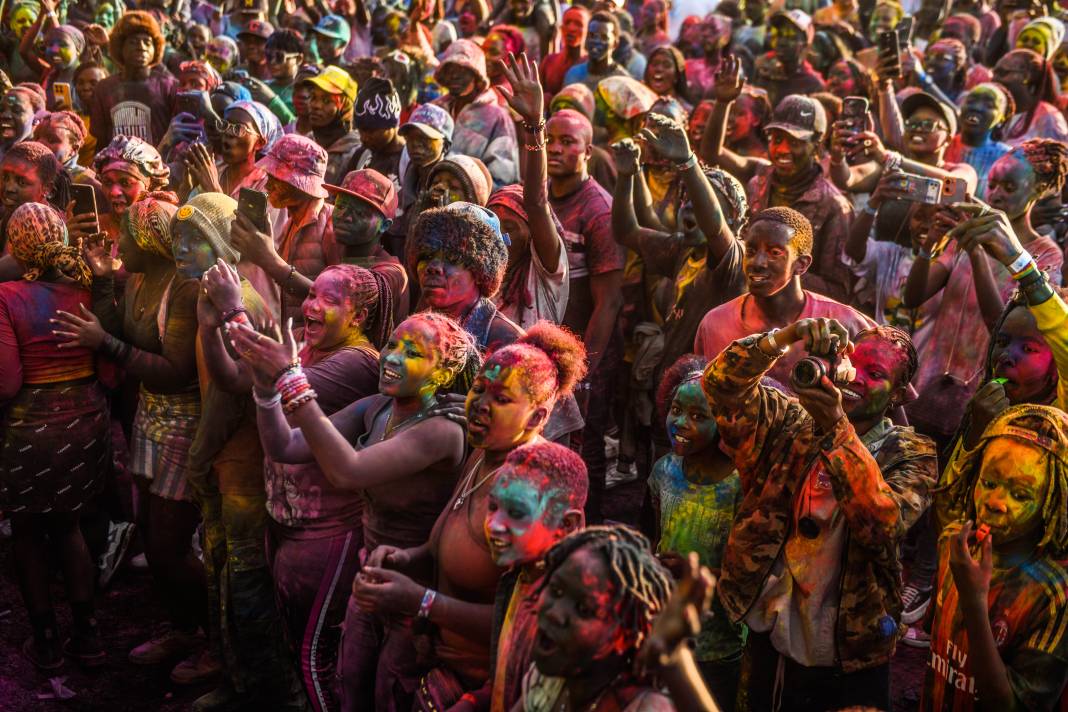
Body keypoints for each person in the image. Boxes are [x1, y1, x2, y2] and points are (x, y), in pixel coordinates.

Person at [229, 310, 474, 712]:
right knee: (351, 688)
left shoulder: (441, 431)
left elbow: (347, 471)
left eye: (412, 352)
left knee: (389, 696)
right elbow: (286, 447)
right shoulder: (378, 407)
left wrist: (291, 377)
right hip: (371, 578)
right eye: (392, 344)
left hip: (415, 591)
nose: (392, 357)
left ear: (443, 372)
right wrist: (265, 388)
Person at [703, 317, 936, 711]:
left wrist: (837, 427)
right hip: (773, 630)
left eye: (875, 374)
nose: (857, 378)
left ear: (897, 395)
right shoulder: (791, 422)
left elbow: (881, 525)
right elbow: (720, 385)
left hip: (849, 644)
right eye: (852, 363)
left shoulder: (912, 453)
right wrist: (785, 336)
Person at [353, 321, 587, 709]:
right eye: (478, 389)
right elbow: (439, 541)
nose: (479, 404)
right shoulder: (483, 453)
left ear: (536, 418)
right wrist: (402, 558)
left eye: (501, 398)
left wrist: (421, 601)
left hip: (485, 685)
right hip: (438, 663)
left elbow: (529, 619)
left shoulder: (533, 487)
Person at [198, 259, 393, 712]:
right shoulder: (306, 347)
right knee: (296, 649)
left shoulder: (355, 364)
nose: (312, 305)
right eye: (311, 294)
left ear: (358, 317)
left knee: (316, 658)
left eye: (329, 299)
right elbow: (234, 380)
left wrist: (233, 310)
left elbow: (278, 394)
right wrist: (210, 330)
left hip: (327, 534)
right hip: (288, 524)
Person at [52, 195, 216, 684]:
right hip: (152, 417)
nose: (116, 240)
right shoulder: (141, 277)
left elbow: (173, 370)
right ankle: (183, 628)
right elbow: (121, 328)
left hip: (183, 423)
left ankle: (220, 640)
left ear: (148, 241)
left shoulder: (185, 288)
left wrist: (106, 344)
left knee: (169, 546)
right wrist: (104, 278)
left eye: (125, 234)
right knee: (150, 531)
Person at [178, 192, 305, 712]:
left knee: (246, 582)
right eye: (176, 240)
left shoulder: (244, 303)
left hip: (245, 473)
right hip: (229, 471)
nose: (180, 251)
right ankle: (236, 679)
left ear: (219, 245)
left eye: (193, 241)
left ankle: (271, 693)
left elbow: (233, 391)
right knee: (223, 573)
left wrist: (200, 455)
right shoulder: (213, 296)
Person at [903, 140, 1067, 446]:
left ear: (1038, 190)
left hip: (983, 395)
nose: (996, 194)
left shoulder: (1044, 256)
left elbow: (1001, 327)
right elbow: (913, 297)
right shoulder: (967, 233)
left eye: (1009, 185)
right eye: (992, 184)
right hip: (930, 382)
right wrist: (930, 245)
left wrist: (977, 254)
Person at [0, 203, 107, 670]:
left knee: (26, 530)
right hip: (86, 419)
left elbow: (6, 382)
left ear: (15, 245)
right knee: (69, 526)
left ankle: (45, 641)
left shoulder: (5, 296)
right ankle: (88, 633)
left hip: (31, 427)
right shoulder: (84, 289)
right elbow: (110, 370)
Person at [922, 405, 1068, 710]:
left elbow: (1012, 704)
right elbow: (937, 639)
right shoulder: (955, 542)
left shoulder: (1055, 594)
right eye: (989, 483)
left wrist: (975, 603)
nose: (996, 503)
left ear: (1053, 502)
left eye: (1021, 495)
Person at [611, 116, 748, 384]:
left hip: (708, 388)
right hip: (671, 384)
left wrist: (688, 162)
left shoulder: (732, 262)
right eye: (685, 199)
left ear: (731, 219)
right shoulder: (683, 249)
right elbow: (626, 231)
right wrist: (628, 176)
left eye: (698, 202)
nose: (688, 206)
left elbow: (715, 227)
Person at [702, 66, 854, 303]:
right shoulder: (759, 177)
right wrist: (723, 103)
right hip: (744, 302)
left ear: (817, 145)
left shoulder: (834, 206)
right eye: (778, 139)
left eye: (795, 142)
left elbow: (838, 290)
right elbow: (712, 155)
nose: (783, 149)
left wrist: (781, 270)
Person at [648, 355, 744, 711]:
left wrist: (696, 574)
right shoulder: (663, 472)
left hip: (720, 640)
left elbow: (750, 575)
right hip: (669, 627)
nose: (681, 424)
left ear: (727, 423)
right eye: (676, 410)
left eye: (699, 416)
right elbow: (657, 532)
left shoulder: (739, 486)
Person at [694, 207, 876, 388]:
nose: (757, 263)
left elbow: (887, 398)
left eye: (775, 253)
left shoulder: (845, 323)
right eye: (750, 251)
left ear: (802, 264)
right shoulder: (715, 324)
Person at [513, 525, 676, 710]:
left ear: (624, 636)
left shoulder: (645, 707)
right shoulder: (551, 680)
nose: (554, 614)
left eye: (583, 609)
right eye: (556, 591)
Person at [490, 53, 568, 330]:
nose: (501, 236)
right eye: (494, 227)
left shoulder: (545, 271)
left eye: (510, 226)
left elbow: (535, 202)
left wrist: (534, 124)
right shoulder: (482, 278)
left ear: (533, 232)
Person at [228, 133, 339, 325]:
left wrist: (269, 259)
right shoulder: (291, 223)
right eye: (270, 175)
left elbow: (337, 302)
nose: (268, 184)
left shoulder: (332, 225)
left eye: (278, 178)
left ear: (302, 185)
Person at [432, 39, 519, 188]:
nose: (454, 76)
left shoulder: (497, 117)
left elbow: (503, 176)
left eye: (462, 70)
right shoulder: (434, 110)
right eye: (449, 70)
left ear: (477, 75)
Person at [89, 11, 177, 147]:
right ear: (120, 48)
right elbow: (100, 138)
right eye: (133, 42)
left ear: (156, 49)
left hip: (159, 165)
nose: (141, 47)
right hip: (114, 166)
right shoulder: (104, 88)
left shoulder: (168, 86)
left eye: (147, 42)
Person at [393, 103, 453, 251]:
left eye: (426, 138)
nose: (415, 145)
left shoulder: (454, 186)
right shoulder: (405, 181)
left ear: (445, 144)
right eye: (410, 138)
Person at [944, 83, 1014, 199]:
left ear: (1001, 119)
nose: (977, 108)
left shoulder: (1007, 157)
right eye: (970, 101)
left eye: (989, 105)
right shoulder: (942, 144)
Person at [301, 65, 361, 187]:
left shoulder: (355, 153)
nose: (316, 105)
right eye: (313, 97)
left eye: (327, 101)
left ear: (345, 107)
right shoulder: (305, 143)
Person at [752, 10, 825, 109]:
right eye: (779, 35)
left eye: (790, 37)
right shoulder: (764, 73)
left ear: (805, 43)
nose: (782, 42)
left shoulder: (813, 85)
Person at [994, 48, 1068, 145]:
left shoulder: (1048, 118)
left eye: (1002, 73)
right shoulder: (994, 109)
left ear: (1025, 77)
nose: (994, 79)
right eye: (994, 72)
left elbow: (1060, 156)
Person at [345, 77, 406, 186]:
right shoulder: (361, 156)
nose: (363, 138)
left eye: (371, 131)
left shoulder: (408, 162)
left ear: (391, 125)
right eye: (360, 130)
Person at [562, 11, 630, 95]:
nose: (596, 41)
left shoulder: (622, 81)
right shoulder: (573, 75)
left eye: (604, 37)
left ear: (615, 44)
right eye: (592, 35)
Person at [539, 5, 588, 98]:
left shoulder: (591, 65)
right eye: (567, 22)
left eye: (578, 24)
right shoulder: (549, 61)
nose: (571, 28)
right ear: (561, 27)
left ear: (588, 30)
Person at [0, 84, 45, 162]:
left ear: (37, 119)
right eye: (1, 110)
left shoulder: (43, 161)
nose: (5, 115)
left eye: (17, 110)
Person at [264, 28, 303, 115]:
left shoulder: (303, 92)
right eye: (269, 56)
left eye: (279, 57)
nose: (273, 62)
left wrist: (271, 100)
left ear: (298, 59)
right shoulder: (262, 86)